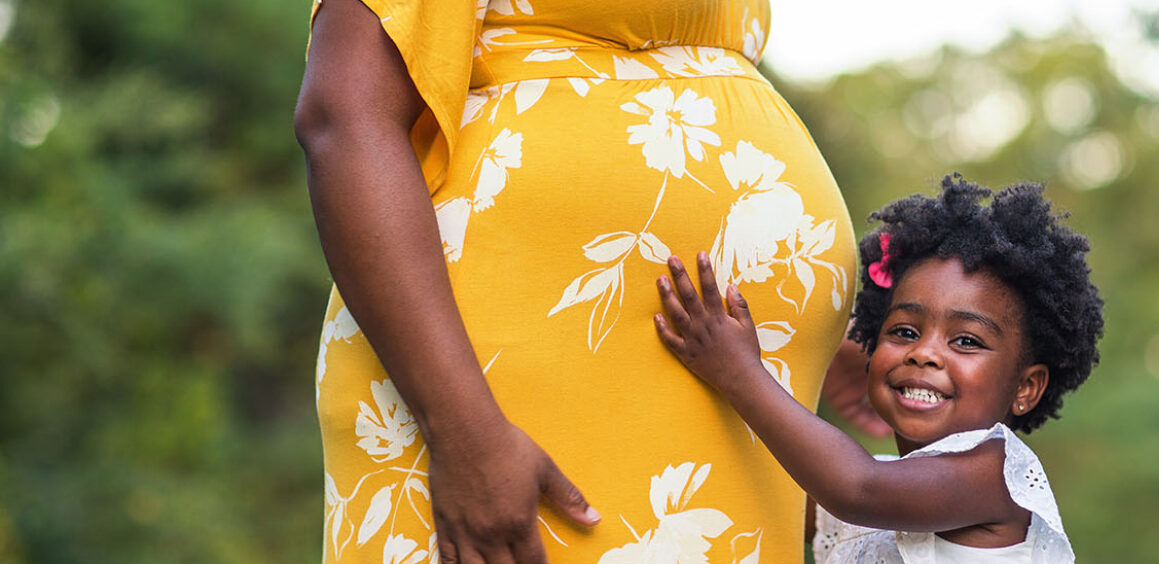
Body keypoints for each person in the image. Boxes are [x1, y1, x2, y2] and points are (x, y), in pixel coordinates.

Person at [293, 0, 857, 561]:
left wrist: (817, 319)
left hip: (728, 409)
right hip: (489, 389)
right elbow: (345, 115)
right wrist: (464, 435)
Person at [654, 175, 1104, 563]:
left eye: (966, 341)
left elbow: (857, 488)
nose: (923, 353)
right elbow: (768, 490)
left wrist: (738, 372)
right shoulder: (882, 485)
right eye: (904, 331)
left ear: (1026, 387)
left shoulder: (995, 475)